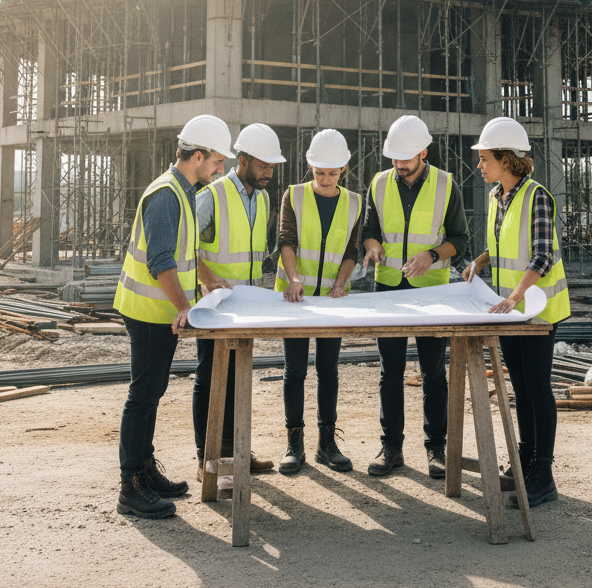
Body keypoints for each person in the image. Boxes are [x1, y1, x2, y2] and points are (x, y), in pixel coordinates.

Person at [113, 114, 232, 519]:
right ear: (197, 156)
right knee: (142, 398)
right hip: (149, 313)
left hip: (159, 313)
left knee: (151, 395)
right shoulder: (166, 195)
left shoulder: (183, 191)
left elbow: (184, 252)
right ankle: (131, 487)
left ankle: (146, 473)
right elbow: (161, 261)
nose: (220, 170)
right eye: (217, 161)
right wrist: (185, 306)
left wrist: (209, 279)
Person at [463, 117, 570, 508]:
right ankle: (525, 462)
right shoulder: (497, 197)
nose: (480, 165)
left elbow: (542, 254)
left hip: (538, 311)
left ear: (506, 160)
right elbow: (506, 247)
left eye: (485, 157)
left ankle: (544, 474)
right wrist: (481, 260)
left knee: (538, 390)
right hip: (512, 312)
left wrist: (515, 295)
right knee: (520, 389)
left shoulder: (536, 196)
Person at [361, 114, 469, 478]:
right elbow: (369, 229)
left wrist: (433, 255)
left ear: (424, 152)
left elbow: (461, 238)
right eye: (394, 159)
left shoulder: (445, 184)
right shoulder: (378, 183)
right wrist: (372, 245)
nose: (399, 165)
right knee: (389, 373)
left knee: (434, 373)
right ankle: (391, 447)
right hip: (387, 289)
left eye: (406, 159)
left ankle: (436, 448)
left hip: (431, 292)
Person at [192, 122, 284, 478]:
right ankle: (208, 459)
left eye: (272, 167)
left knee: (238, 378)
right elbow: (186, 245)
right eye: (263, 165)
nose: (268, 173)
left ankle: (237, 452)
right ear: (242, 160)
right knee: (210, 378)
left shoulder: (261, 198)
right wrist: (206, 278)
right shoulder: (211, 196)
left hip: (245, 307)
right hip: (214, 307)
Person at [274, 129, 363, 475]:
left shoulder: (354, 202)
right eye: (319, 172)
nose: (326, 179)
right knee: (294, 371)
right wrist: (293, 278)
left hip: (332, 301)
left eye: (333, 172)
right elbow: (286, 240)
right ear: (310, 166)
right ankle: (293, 443)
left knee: (328, 370)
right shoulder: (293, 196)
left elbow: (352, 250)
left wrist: (341, 283)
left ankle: (327, 444)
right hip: (296, 300)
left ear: (344, 168)